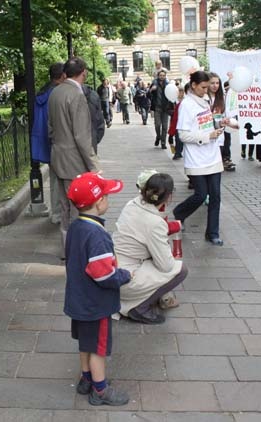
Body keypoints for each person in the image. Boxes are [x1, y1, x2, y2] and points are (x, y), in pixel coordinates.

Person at [63, 172, 131, 406]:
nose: (108, 200)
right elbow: (104, 274)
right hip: (96, 303)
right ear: (99, 201)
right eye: (107, 196)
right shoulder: (98, 235)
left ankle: (86, 379)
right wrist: (124, 275)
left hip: (79, 299)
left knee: (85, 342)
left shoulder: (75, 227)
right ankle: (100, 390)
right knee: (98, 349)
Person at [113, 170, 188, 324]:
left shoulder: (132, 204)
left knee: (159, 261)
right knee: (179, 270)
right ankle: (139, 308)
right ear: (169, 197)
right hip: (127, 276)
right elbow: (166, 266)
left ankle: (137, 298)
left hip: (114, 267)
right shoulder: (155, 222)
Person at [173, 70, 237, 246]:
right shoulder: (186, 105)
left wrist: (219, 124)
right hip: (196, 159)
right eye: (203, 87)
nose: (207, 90)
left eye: (208, 87)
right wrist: (207, 136)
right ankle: (179, 213)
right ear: (193, 85)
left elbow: (207, 123)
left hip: (213, 156)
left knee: (215, 196)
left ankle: (212, 232)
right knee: (201, 195)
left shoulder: (206, 101)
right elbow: (183, 135)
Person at [48, 57, 100, 256]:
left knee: (64, 207)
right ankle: (78, 251)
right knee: (79, 207)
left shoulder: (56, 92)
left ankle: (66, 249)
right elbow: (81, 135)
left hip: (58, 156)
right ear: (83, 72)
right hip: (74, 161)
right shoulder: (76, 95)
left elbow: (50, 128)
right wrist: (94, 164)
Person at [31, 62, 66, 224]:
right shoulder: (57, 93)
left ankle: (56, 213)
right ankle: (59, 214)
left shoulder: (42, 92)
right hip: (56, 140)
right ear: (62, 76)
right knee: (61, 178)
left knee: (54, 178)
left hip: (44, 139)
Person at [150, 70, 171, 148]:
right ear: (158, 76)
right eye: (161, 75)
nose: (162, 77)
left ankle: (163, 142)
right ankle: (158, 136)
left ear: (165, 76)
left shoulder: (168, 85)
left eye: (163, 75)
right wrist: (151, 89)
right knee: (157, 125)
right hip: (157, 107)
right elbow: (148, 94)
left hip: (165, 108)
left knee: (165, 126)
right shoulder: (154, 84)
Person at [82, 84, 106, 154]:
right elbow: (100, 122)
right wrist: (95, 139)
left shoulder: (62, 94)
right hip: (91, 140)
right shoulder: (93, 94)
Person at [168, 84, 186, 160]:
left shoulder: (186, 101)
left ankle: (178, 152)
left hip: (184, 122)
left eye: (182, 91)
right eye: (179, 91)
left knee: (180, 138)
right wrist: (174, 111)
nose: (180, 93)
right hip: (175, 121)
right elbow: (168, 110)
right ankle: (177, 152)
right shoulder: (172, 101)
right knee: (177, 138)